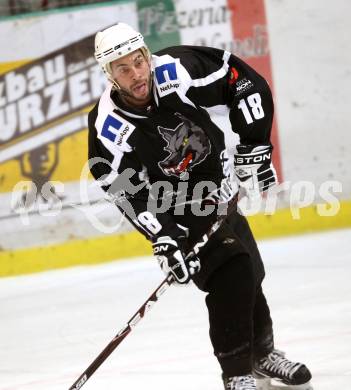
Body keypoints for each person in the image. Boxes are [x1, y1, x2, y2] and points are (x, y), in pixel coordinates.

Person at [88, 22, 312, 390]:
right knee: (233, 270)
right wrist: (162, 236)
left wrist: (254, 142)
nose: (135, 74)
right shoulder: (109, 125)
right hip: (176, 206)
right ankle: (237, 373)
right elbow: (123, 188)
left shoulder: (179, 70)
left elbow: (243, 81)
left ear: (147, 56)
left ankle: (262, 355)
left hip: (221, 191)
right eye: (122, 69)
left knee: (252, 272)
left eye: (138, 62)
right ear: (108, 74)